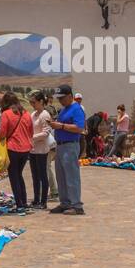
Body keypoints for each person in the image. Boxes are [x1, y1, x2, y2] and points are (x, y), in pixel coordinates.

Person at [50, 84, 86, 215]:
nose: (60, 100)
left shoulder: (76, 109)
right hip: (60, 145)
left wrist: (61, 126)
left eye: (62, 98)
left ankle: (76, 205)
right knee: (61, 176)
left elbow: (79, 127)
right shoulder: (64, 109)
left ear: (70, 96)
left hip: (70, 145)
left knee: (71, 176)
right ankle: (65, 202)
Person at [0, 93, 33, 211]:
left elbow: (2, 133)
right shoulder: (27, 114)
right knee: (19, 175)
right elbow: (31, 131)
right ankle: (23, 201)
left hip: (12, 148)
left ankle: (19, 204)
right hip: (26, 148)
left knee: (14, 176)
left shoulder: (6, 114)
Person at [28, 92, 53, 207]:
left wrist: (32, 138)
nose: (32, 104)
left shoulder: (45, 114)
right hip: (33, 149)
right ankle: (36, 198)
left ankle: (43, 201)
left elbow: (46, 132)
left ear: (41, 101)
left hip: (42, 149)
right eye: (31, 102)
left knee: (43, 175)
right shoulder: (33, 114)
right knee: (35, 176)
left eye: (34, 102)